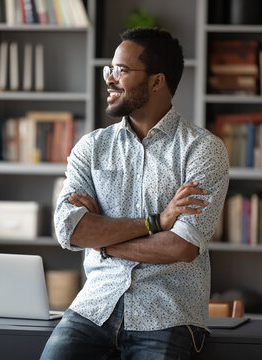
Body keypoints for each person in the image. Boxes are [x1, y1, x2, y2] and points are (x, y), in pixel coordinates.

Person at [40, 27, 229, 359]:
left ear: (157, 81)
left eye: (121, 71)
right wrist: (156, 222)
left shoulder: (203, 150)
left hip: (167, 313)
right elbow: (69, 230)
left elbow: (181, 246)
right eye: (109, 70)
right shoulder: (91, 147)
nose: (110, 79)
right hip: (94, 307)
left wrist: (102, 241)